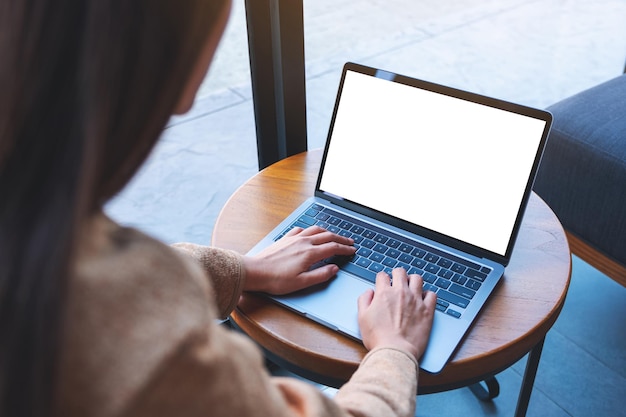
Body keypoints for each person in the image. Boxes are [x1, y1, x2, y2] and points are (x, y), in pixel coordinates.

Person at [0, 1, 437, 416]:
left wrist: (243, 269)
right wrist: (393, 349)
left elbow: (99, 267)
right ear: (175, 81)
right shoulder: (150, 362)